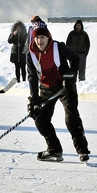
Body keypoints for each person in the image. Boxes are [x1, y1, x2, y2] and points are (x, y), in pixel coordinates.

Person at [26, 26, 90, 162]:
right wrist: (34, 99)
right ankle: (54, 149)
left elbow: (75, 59)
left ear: (48, 37)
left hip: (65, 86)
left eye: (42, 37)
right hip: (46, 87)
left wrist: (71, 75)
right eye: (37, 37)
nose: (39, 40)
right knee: (40, 120)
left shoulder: (58, 47)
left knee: (71, 117)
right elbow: (32, 76)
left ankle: (82, 150)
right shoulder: (30, 54)